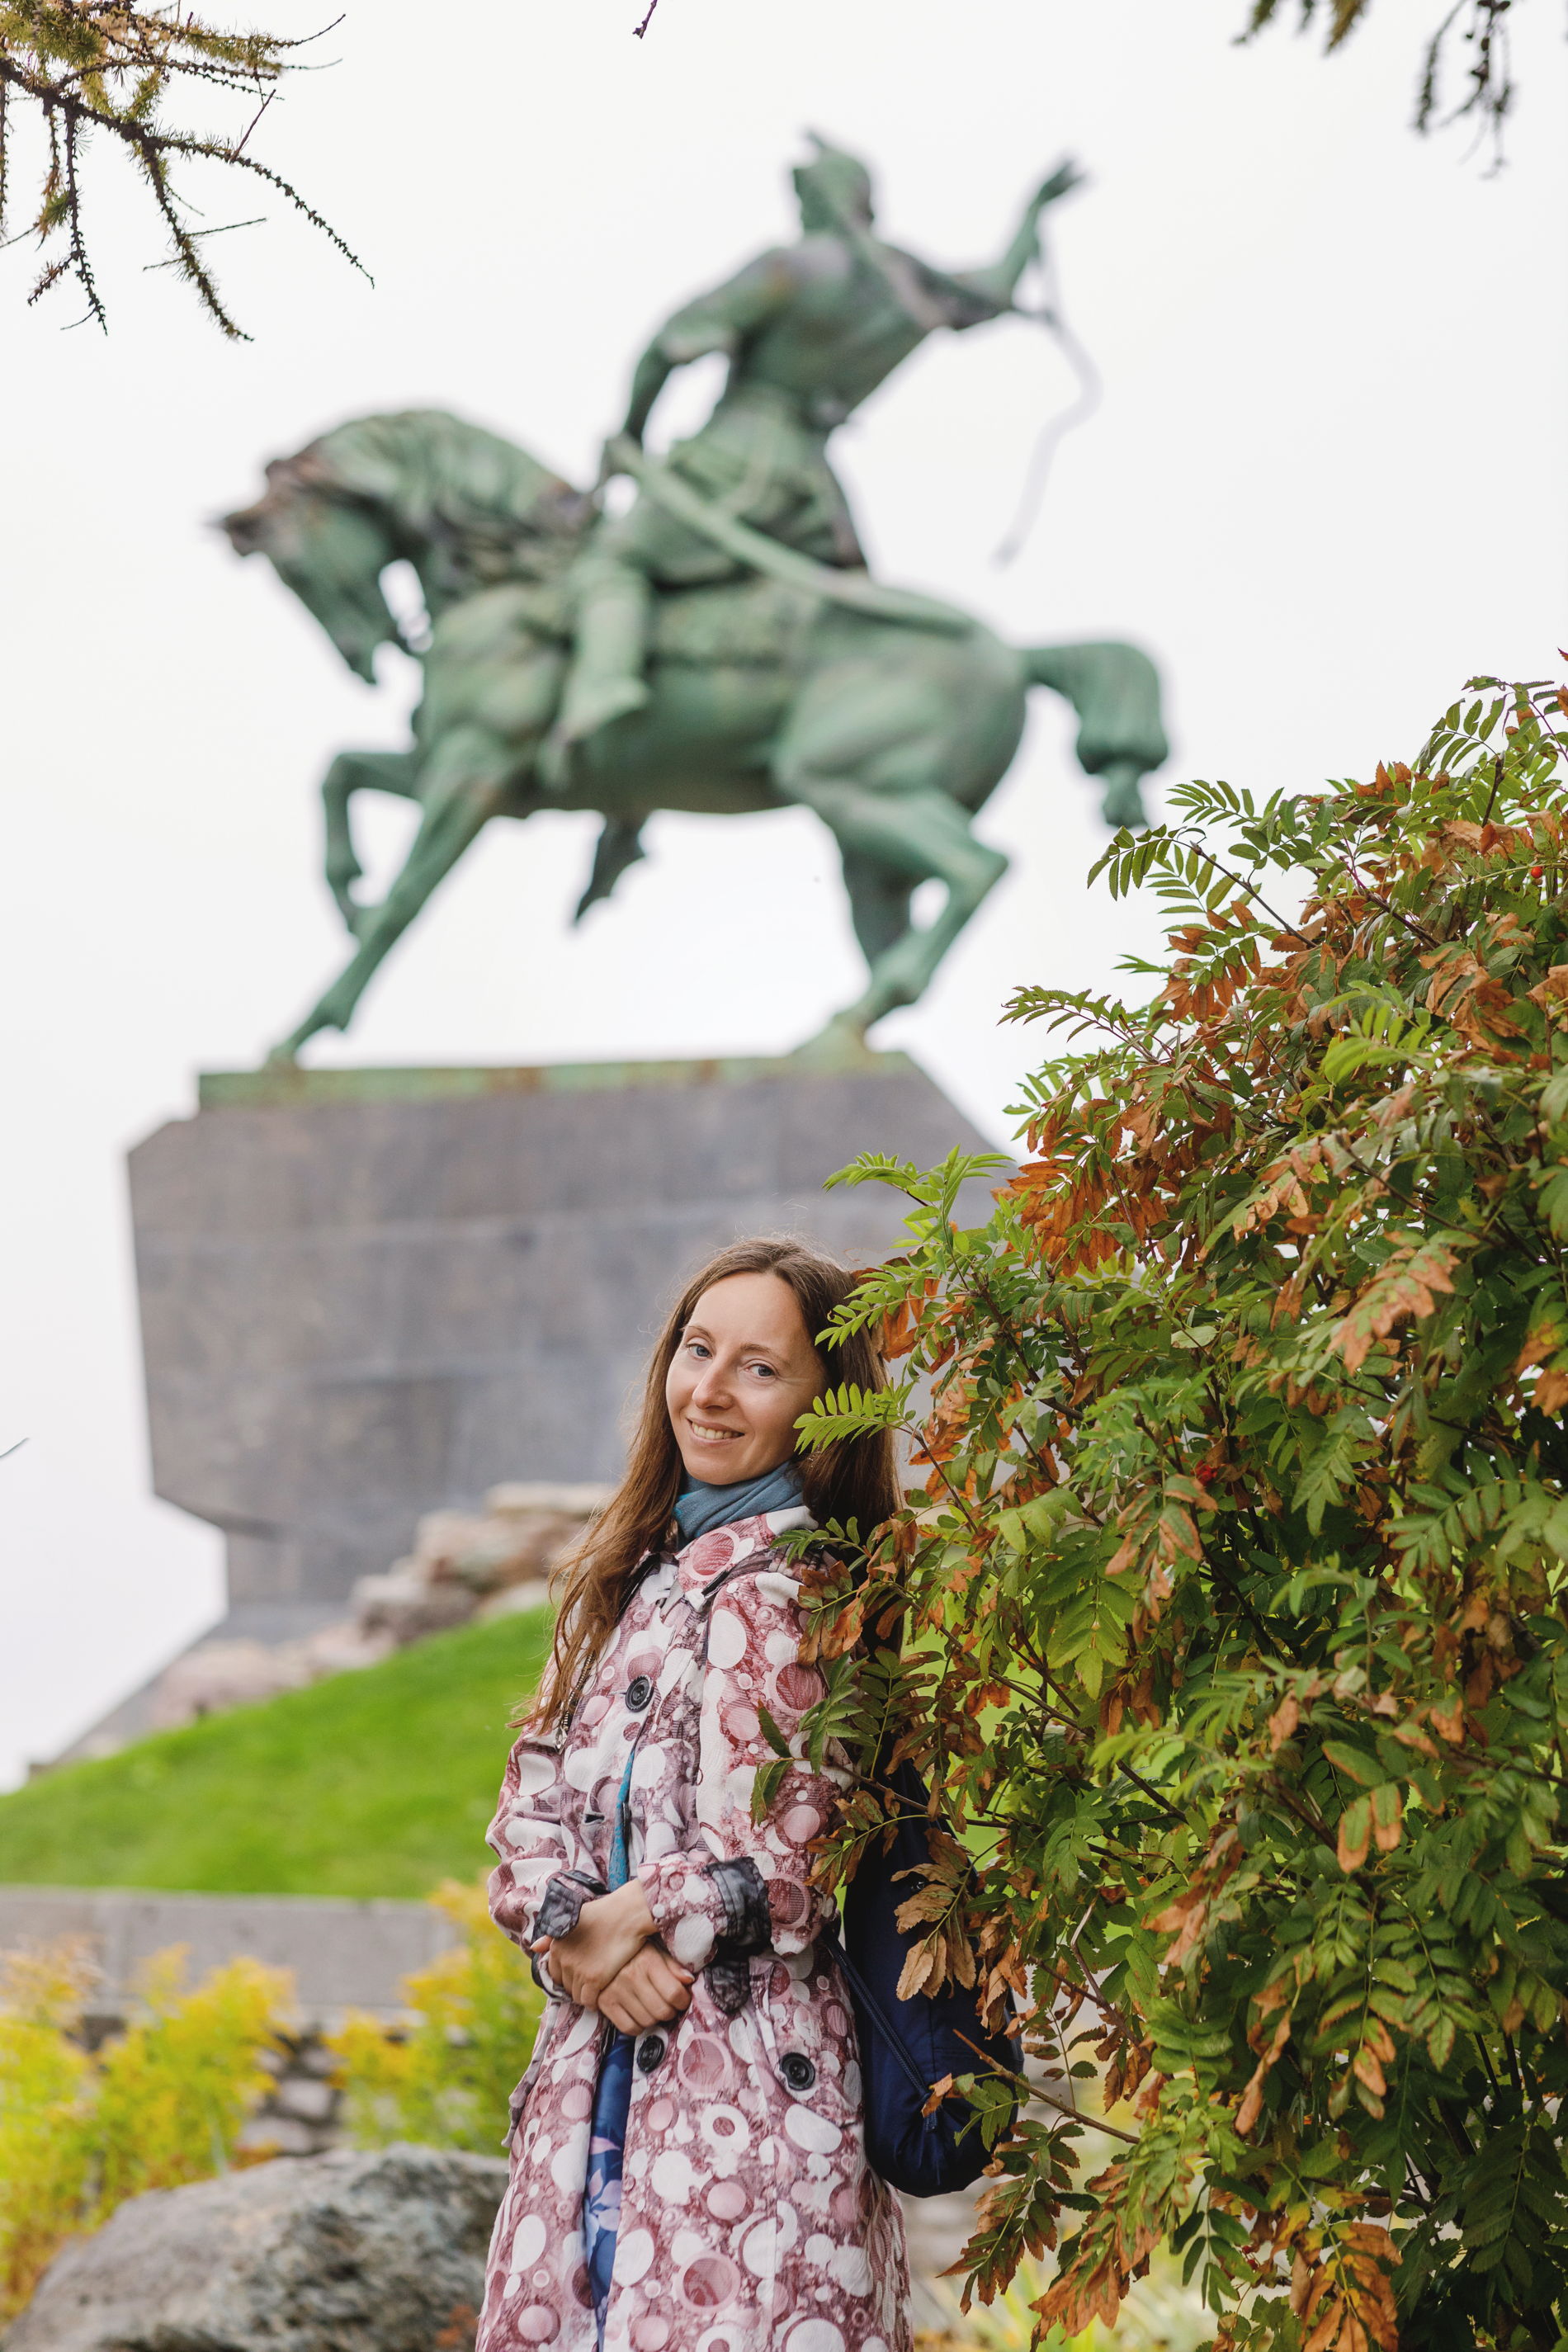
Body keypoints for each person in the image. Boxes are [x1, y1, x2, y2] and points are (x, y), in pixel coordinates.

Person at [475, 1237, 906, 2352]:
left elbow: (788, 1867)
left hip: (749, 2122)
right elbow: (527, 1807)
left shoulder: (805, 1591)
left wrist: (619, 1919)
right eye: (697, 1349)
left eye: (758, 1368)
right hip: (589, 2105)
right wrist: (573, 1940)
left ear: (824, 1410)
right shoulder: (631, 1574)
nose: (708, 1390)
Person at [545, 138, 1080, 767]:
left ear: (823, 199)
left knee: (614, 561)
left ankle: (605, 688)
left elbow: (671, 344)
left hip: (735, 462)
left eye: (803, 197)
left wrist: (632, 430)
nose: (800, 210)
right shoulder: (909, 286)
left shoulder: (795, 267)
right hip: (814, 492)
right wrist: (1033, 213)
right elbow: (993, 287)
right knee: (835, 617)